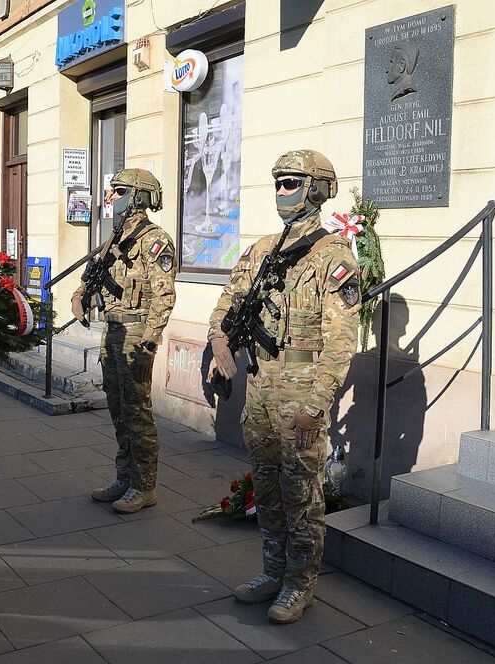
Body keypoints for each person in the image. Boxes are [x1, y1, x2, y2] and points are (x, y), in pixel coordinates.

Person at [208, 149, 360, 625]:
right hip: (260, 388)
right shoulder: (260, 250)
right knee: (268, 487)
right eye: (277, 182)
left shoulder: (334, 258)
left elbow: (340, 343)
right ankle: (272, 571)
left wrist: (317, 404)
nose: (281, 191)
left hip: (301, 391)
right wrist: (218, 341)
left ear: (316, 188)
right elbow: (226, 303)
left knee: (301, 492)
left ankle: (300, 583)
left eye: (291, 182)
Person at [72, 168, 176, 514]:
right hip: (113, 331)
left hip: (135, 335)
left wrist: (149, 343)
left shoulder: (153, 240)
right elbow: (94, 273)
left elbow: (164, 297)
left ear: (137, 196)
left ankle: (145, 486)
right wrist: (79, 295)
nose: (110, 197)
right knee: (117, 408)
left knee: (137, 411)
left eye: (118, 191)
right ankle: (125, 477)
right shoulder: (116, 237)